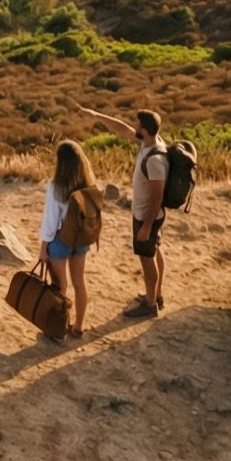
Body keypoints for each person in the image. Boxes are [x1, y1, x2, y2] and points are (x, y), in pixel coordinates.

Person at [81, 105, 170, 316]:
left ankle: (150, 305)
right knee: (155, 251)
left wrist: (146, 226)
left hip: (147, 216)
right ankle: (156, 295)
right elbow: (121, 129)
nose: (134, 127)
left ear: (145, 130)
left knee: (147, 259)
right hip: (147, 216)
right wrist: (96, 115)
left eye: (137, 124)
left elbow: (157, 197)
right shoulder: (149, 143)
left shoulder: (155, 159)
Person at [37, 141, 103, 338]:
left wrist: (43, 248)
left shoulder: (56, 187)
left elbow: (50, 222)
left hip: (60, 241)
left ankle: (59, 328)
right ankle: (78, 326)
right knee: (79, 282)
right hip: (81, 240)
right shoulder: (89, 185)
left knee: (60, 287)